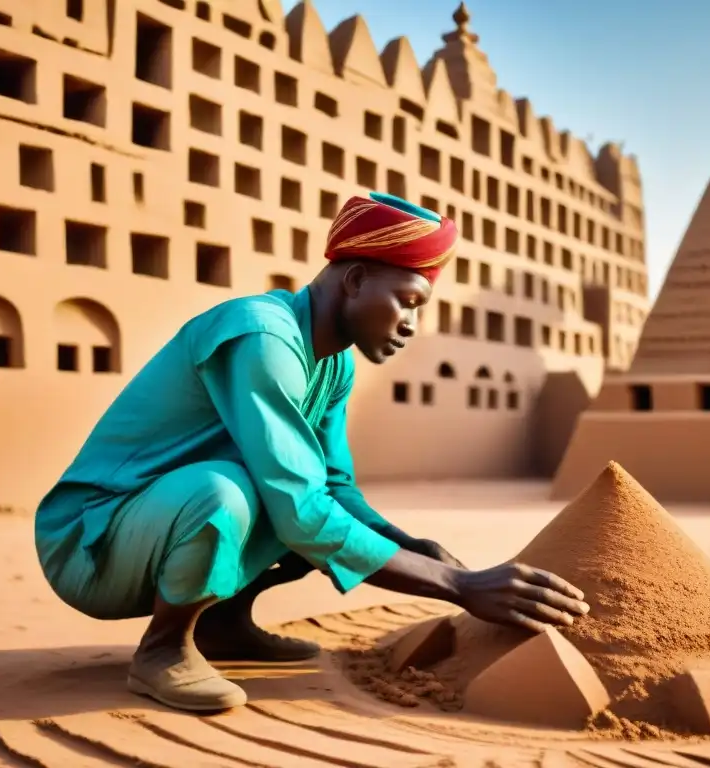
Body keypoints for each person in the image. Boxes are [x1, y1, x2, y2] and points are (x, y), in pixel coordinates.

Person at [34, 192, 590, 712]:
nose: (411, 326)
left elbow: (333, 486)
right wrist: (459, 587)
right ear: (353, 279)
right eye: (408, 301)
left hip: (157, 527)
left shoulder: (334, 361)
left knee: (294, 497)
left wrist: (413, 548)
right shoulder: (262, 337)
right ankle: (162, 648)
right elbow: (301, 508)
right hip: (92, 542)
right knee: (228, 493)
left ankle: (222, 625)